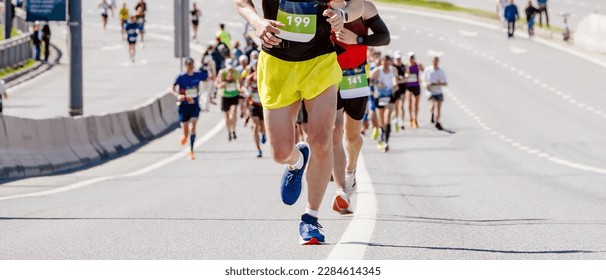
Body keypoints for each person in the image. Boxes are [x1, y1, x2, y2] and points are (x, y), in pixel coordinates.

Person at [233, 0, 363, 245]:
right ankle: (296, 161)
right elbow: (241, 2)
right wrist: (257, 21)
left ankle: (310, 218)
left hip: (319, 61)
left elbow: (360, 5)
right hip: (276, 64)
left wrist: (343, 15)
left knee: (322, 140)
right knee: (280, 152)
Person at [330, 0, 390, 214]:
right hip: (330, 76)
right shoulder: (321, 5)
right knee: (335, 131)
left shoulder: (364, 7)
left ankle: (350, 171)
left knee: (352, 137)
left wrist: (359, 39)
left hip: (356, 77)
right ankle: (341, 191)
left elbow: (385, 37)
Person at [172, 57, 208, 160]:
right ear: (185, 66)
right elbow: (173, 88)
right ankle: (185, 135)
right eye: (188, 65)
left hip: (194, 105)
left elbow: (208, 77)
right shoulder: (181, 77)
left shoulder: (197, 75)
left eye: (191, 64)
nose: (190, 67)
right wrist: (177, 95)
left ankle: (191, 151)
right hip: (184, 106)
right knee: (186, 131)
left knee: (193, 127)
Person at [369, 55, 398, 152]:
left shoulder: (393, 70)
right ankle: (382, 133)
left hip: (389, 97)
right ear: (382, 62)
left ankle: (386, 142)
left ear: (390, 62)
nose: (386, 64)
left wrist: (395, 85)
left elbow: (395, 80)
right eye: (384, 62)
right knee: (381, 121)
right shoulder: (378, 71)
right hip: (379, 97)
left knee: (387, 118)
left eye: (388, 62)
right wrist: (377, 84)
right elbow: (369, 81)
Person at [244, 65, 267, 157]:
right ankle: (258, 149)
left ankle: (264, 134)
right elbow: (245, 88)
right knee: (255, 124)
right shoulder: (250, 78)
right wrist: (247, 93)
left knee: (262, 126)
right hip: (253, 104)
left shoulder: (265, 76)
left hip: (263, 105)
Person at [215, 59, 241, 141]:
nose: (230, 70)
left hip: (234, 94)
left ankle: (233, 130)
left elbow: (240, 83)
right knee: (226, 115)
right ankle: (229, 131)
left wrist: (241, 88)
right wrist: (226, 80)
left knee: (234, 112)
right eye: (229, 68)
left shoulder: (236, 72)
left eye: (231, 68)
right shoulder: (222, 73)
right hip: (225, 95)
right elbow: (218, 84)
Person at [423, 56, 448, 130]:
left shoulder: (441, 71)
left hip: (438, 92)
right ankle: (432, 114)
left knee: (438, 108)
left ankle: (437, 122)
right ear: (432, 61)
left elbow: (445, 83)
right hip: (431, 92)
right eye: (434, 61)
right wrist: (426, 84)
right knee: (432, 107)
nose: (435, 63)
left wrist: (439, 83)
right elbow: (422, 78)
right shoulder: (428, 70)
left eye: (436, 61)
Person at [405, 52, 423, 129]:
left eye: (413, 58)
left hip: (416, 86)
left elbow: (423, 71)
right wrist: (406, 74)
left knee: (416, 104)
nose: (411, 59)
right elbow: (404, 74)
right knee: (409, 104)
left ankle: (415, 119)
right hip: (409, 87)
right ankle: (410, 118)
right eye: (410, 58)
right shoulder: (406, 66)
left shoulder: (417, 65)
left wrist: (421, 68)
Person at [393, 51, 406, 132]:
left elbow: (406, 78)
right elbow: (393, 79)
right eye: (397, 58)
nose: (398, 60)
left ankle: (402, 122)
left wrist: (399, 81)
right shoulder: (393, 67)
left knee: (401, 106)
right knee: (396, 106)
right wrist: (399, 80)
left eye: (399, 58)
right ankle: (396, 120)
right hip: (395, 89)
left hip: (402, 89)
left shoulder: (404, 67)